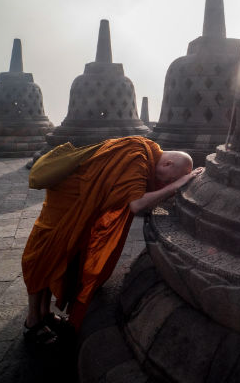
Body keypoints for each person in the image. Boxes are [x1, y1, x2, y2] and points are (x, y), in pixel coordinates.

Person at [21, 136, 203, 346]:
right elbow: (136, 204)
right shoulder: (137, 157)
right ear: (168, 163)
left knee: (57, 260)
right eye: (171, 178)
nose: (167, 183)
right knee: (41, 259)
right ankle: (32, 321)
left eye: (171, 182)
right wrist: (175, 186)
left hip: (79, 205)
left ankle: (44, 314)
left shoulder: (146, 148)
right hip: (64, 205)